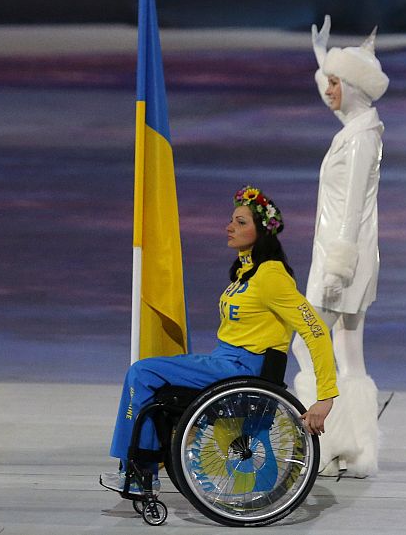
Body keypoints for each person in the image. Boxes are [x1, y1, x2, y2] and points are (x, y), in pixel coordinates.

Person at [101, 185, 338, 495]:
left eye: (241, 222)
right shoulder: (246, 273)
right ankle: (138, 466)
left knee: (141, 373)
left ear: (262, 231)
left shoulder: (271, 276)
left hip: (240, 368)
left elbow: (315, 329)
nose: (230, 227)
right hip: (223, 360)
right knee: (146, 375)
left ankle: (140, 470)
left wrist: (326, 396)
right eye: (232, 220)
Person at [291, 15, 388, 478]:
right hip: (345, 256)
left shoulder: (362, 138)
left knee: (308, 344)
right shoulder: (361, 124)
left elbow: (350, 209)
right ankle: (358, 449)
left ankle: (323, 442)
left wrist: (338, 267)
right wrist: (321, 61)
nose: (327, 91)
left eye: (334, 83)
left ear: (353, 87)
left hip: (341, 258)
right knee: (348, 350)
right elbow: (340, 102)